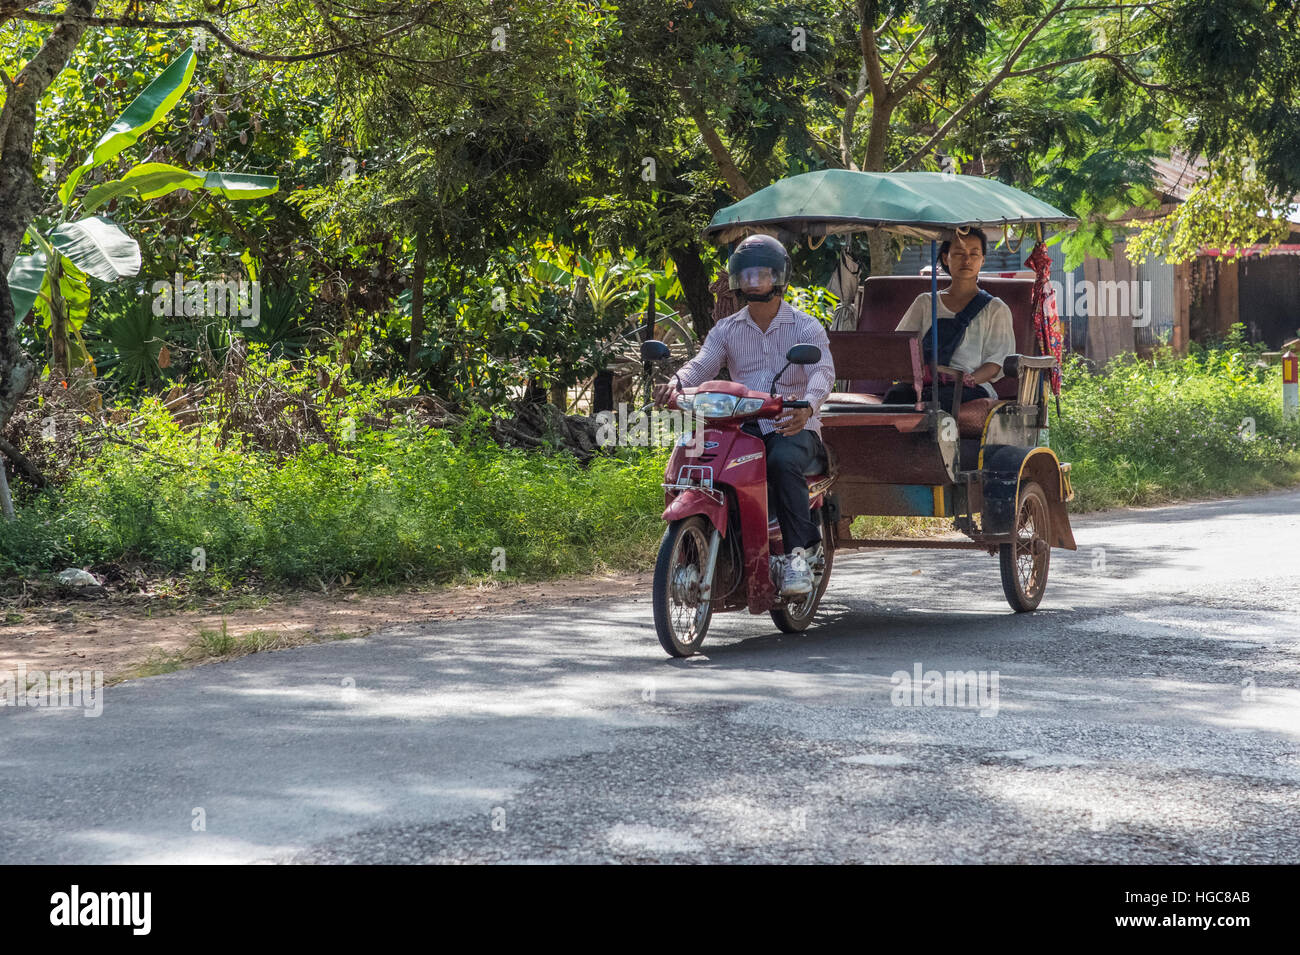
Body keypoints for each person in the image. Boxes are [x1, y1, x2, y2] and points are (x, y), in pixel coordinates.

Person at [652, 234, 836, 597]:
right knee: (698, 453)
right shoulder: (727, 329)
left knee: (781, 460)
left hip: (791, 426)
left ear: (779, 277)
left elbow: (823, 372)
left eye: (762, 274)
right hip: (741, 427)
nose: (754, 281)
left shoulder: (805, 326)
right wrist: (674, 384)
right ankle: (705, 544)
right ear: (738, 280)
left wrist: (807, 405)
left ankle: (800, 553)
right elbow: (701, 365)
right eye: (748, 275)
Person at [883, 227, 1017, 409]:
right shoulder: (925, 302)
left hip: (971, 386)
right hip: (927, 382)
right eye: (960, 253)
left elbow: (995, 362)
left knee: (938, 400)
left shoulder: (996, 309)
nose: (967, 260)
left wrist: (968, 379)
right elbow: (902, 348)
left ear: (983, 260)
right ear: (946, 258)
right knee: (896, 395)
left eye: (974, 254)